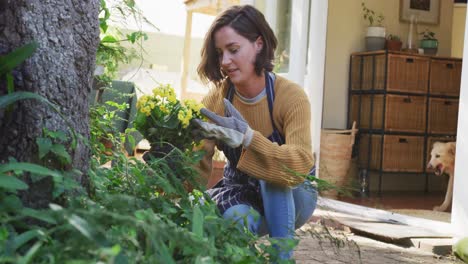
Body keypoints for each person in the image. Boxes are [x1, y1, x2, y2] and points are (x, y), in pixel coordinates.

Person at [193, 4, 317, 260]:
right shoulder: (217, 99)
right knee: (234, 218)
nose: (225, 61)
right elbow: (197, 164)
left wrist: (250, 139)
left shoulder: (290, 96)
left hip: (294, 194)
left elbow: (300, 164)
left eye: (233, 50)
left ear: (258, 44)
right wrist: (169, 176)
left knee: (272, 174)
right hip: (243, 191)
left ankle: (282, 259)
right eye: (220, 53)